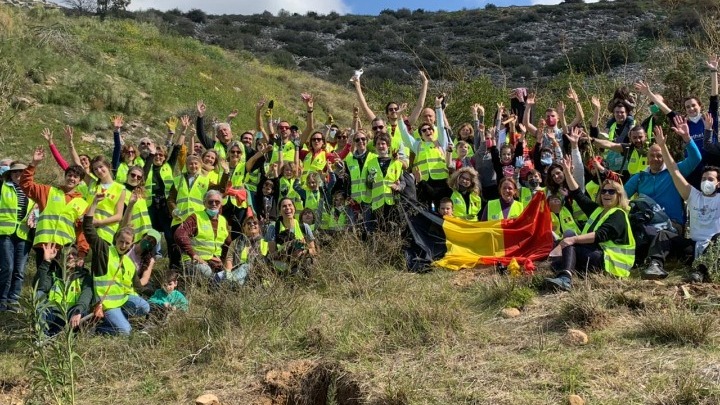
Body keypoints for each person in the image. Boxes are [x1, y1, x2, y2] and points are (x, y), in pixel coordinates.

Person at [643, 125, 720, 282]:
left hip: (714, 249)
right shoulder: (693, 195)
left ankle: (700, 271)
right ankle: (655, 265)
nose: (706, 182)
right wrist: (663, 146)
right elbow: (673, 170)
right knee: (664, 234)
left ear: (718, 183)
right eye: (704, 179)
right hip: (692, 248)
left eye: (710, 179)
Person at [546, 158, 635, 291]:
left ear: (619, 195)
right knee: (566, 241)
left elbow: (600, 235)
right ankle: (567, 272)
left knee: (571, 241)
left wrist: (573, 239)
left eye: (611, 192)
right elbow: (578, 194)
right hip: (596, 255)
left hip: (611, 264)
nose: (606, 194)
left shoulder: (618, 214)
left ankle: (566, 278)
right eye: (604, 191)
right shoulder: (598, 210)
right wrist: (567, 173)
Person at [20, 144, 90, 273]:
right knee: (42, 280)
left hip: (65, 249)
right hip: (44, 246)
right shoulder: (49, 191)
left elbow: (82, 231)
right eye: (69, 175)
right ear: (65, 176)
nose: (71, 178)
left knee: (58, 282)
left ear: (80, 181)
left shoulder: (83, 204)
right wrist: (33, 163)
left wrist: (82, 253)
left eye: (75, 177)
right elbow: (26, 185)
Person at [85, 196, 150, 336]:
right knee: (125, 332)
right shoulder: (104, 250)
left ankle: (118, 319)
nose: (123, 245)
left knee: (145, 307)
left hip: (122, 300)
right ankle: (96, 328)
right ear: (116, 239)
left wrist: (159, 295)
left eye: (127, 243)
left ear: (132, 244)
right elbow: (88, 228)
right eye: (121, 241)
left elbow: (138, 287)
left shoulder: (128, 262)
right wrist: (95, 203)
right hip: (106, 303)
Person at [34, 244, 93, 334]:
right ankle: (41, 335)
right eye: (66, 254)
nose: (70, 256)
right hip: (53, 315)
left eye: (74, 254)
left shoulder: (84, 277)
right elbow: (39, 287)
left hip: (73, 315)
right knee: (39, 294)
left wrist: (78, 311)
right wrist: (46, 261)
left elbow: (86, 297)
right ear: (61, 258)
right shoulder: (54, 275)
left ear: (78, 258)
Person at [0, 162, 35, 311]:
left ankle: (13, 301)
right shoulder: (3, 187)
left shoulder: (31, 191)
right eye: (15, 172)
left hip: (23, 233)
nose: (18, 175)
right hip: (5, 232)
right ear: (9, 174)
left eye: (21, 172)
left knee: (19, 271)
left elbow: (37, 207)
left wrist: (35, 213)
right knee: (7, 267)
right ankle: (2, 300)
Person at [174, 190, 232, 279]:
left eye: (217, 202)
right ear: (204, 203)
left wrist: (223, 261)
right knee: (208, 273)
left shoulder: (223, 221)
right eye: (210, 201)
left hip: (215, 262)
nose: (214, 204)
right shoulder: (195, 217)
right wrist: (193, 254)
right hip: (194, 261)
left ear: (221, 204)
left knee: (230, 275)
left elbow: (228, 244)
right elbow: (179, 234)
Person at [266, 197, 316, 275]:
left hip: (300, 263)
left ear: (294, 209)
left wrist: (303, 252)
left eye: (290, 205)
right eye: (284, 206)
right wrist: (285, 251)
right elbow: (272, 254)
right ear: (279, 211)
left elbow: (313, 250)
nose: (287, 208)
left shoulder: (304, 227)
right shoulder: (273, 227)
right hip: (281, 265)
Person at [86, 155, 127, 244]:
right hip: (87, 231)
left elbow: (119, 216)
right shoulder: (92, 184)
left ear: (108, 166)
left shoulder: (120, 188)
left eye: (101, 167)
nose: (99, 171)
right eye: (95, 169)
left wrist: (99, 222)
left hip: (105, 234)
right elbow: (77, 165)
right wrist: (71, 145)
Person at [221, 215, 271, 285]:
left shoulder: (266, 242)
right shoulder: (235, 242)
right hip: (237, 273)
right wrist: (228, 274)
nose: (252, 224)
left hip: (259, 275)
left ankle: (233, 284)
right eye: (248, 223)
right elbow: (229, 259)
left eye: (255, 223)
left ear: (259, 227)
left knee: (246, 266)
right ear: (243, 227)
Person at [110, 115, 144, 184]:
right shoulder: (118, 164)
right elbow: (117, 147)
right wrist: (116, 130)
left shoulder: (138, 166)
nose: (130, 153)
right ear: (123, 153)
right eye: (127, 152)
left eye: (132, 152)